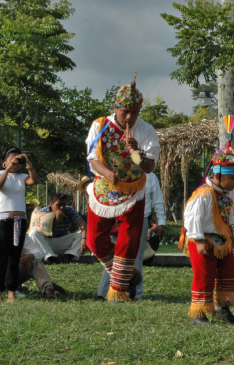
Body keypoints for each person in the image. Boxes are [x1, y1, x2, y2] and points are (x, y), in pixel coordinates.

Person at [85, 74, 160, 302]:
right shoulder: (100, 125)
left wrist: (137, 152)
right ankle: (128, 277)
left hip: (133, 190)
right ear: (115, 108)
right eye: (124, 111)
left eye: (134, 112)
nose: (129, 117)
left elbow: (148, 167)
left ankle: (118, 291)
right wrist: (108, 174)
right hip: (104, 188)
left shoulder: (147, 131)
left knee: (129, 241)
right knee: (94, 240)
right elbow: (92, 158)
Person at [178, 140, 234, 325]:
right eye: (233, 178)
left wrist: (230, 234)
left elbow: (226, 217)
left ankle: (223, 308)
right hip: (201, 239)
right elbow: (191, 218)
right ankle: (198, 313)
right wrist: (199, 240)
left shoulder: (225, 194)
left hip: (221, 241)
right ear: (217, 175)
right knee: (204, 274)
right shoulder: (204, 194)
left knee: (229, 269)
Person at [96, 172, 167, 300]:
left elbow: (157, 200)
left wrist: (161, 221)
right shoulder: (116, 170)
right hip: (116, 216)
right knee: (111, 256)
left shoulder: (150, 176)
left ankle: (136, 294)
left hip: (140, 218)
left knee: (136, 257)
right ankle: (104, 292)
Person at [0, 147, 38, 302]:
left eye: (19, 160)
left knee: (15, 256)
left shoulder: (22, 176)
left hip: (20, 221)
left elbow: (34, 181)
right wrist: (7, 170)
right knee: (2, 257)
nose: (17, 163)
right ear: (5, 162)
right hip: (4, 221)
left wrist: (29, 164)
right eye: (13, 160)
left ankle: (12, 292)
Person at [0, 227, 61, 299]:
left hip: (14, 270)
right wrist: (12, 253)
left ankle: (48, 289)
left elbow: (39, 250)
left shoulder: (19, 234)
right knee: (1, 260)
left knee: (34, 261)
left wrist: (31, 255)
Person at [27, 192, 87, 264]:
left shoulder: (69, 210)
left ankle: (69, 255)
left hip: (64, 241)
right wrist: (57, 221)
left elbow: (82, 224)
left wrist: (84, 239)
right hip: (48, 243)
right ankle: (50, 257)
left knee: (85, 232)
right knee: (33, 233)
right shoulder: (43, 212)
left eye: (64, 204)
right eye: (58, 205)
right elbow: (49, 236)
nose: (62, 207)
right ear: (51, 204)